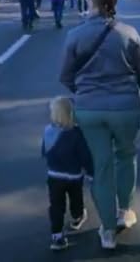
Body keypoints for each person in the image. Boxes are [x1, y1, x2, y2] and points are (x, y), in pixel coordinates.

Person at [60, 0, 140, 250]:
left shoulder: (75, 35)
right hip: (126, 108)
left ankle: (106, 231)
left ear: (91, 3)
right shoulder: (130, 34)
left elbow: (66, 76)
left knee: (101, 166)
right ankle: (125, 211)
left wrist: (83, 93)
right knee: (126, 156)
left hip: (89, 110)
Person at [42, 96, 93, 251]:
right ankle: (77, 217)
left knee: (56, 205)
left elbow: (44, 151)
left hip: (54, 175)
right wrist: (91, 172)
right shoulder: (77, 133)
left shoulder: (48, 130)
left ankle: (57, 236)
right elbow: (85, 156)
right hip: (73, 176)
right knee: (76, 197)